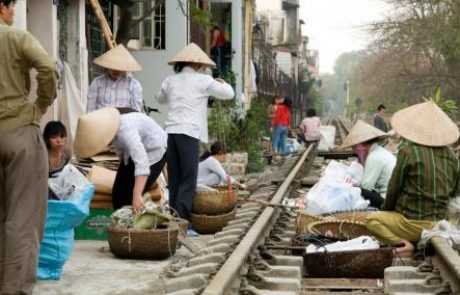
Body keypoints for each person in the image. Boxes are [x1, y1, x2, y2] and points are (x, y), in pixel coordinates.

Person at [0, 0, 58, 293]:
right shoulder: (15, 36)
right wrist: (41, 105)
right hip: (18, 130)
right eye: (11, 8)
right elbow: (47, 67)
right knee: (22, 219)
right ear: (2, 7)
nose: (12, 14)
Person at [365, 101, 460, 257]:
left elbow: (394, 187)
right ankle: (420, 242)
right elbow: (455, 194)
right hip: (439, 224)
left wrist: (387, 211)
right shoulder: (452, 157)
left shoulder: (408, 151)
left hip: (410, 223)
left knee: (371, 220)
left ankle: (404, 244)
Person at [156, 43, 234, 229]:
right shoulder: (203, 80)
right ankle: (183, 223)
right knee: (189, 178)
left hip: (171, 133)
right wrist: (222, 83)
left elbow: (159, 98)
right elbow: (229, 94)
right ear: (199, 64)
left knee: (174, 178)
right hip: (189, 133)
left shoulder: (170, 80)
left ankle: (174, 220)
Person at [74, 108, 167, 211]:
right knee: (118, 192)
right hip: (134, 152)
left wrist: (136, 195)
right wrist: (122, 174)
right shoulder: (111, 131)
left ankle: (131, 224)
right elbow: (121, 154)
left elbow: (142, 163)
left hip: (154, 149)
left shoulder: (126, 131)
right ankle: (118, 222)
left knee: (130, 195)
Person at [341, 120, 396, 208]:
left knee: (356, 190)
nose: (355, 149)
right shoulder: (380, 151)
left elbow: (366, 186)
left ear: (362, 143)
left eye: (355, 146)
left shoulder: (374, 156)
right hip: (391, 197)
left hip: (387, 200)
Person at [86, 44, 144, 113]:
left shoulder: (133, 85)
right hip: (101, 121)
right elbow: (90, 110)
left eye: (119, 68)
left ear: (125, 68)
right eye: (113, 67)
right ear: (108, 66)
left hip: (124, 121)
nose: (116, 71)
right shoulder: (97, 83)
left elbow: (136, 112)